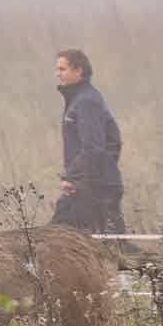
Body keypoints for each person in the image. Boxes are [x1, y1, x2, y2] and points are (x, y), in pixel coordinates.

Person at [50, 48, 127, 238]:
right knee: (62, 242)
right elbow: (112, 143)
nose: (57, 74)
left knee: (109, 248)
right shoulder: (79, 99)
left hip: (94, 188)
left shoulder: (87, 102)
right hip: (88, 185)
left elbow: (93, 147)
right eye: (57, 69)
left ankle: (153, 268)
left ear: (79, 71)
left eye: (62, 69)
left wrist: (73, 178)